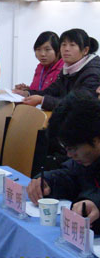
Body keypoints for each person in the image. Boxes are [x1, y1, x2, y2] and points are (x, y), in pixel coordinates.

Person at [26, 92, 100, 231]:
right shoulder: (84, 159)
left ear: (96, 140)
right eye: (65, 148)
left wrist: (96, 204)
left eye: (73, 148)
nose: (69, 154)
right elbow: (71, 175)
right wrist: (47, 181)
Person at [24, 29, 100, 111]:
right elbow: (51, 91)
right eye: (63, 44)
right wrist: (27, 93)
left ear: (85, 50)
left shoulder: (93, 72)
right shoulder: (68, 68)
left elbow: (79, 104)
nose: (66, 49)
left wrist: (42, 100)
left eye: (72, 45)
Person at [13, 31, 63, 96]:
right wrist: (26, 90)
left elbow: (55, 95)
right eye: (38, 49)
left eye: (47, 49)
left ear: (58, 51)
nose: (42, 54)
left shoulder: (64, 68)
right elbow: (39, 91)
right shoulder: (40, 67)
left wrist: (28, 93)